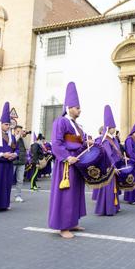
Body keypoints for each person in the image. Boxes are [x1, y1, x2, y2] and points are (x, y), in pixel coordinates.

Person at [48, 82, 89, 239]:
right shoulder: (61, 121)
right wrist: (66, 157)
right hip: (66, 164)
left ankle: (73, 222)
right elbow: (57, 143)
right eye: (77, 107)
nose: (79, 110)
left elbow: (79, 142)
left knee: (75, 194)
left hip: (76, 163)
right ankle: (63, 226)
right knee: (66, 194)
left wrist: (87, 143)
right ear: (69, 107)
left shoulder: (77, 126)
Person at [93, 105, 122, 216]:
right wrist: (114, 167)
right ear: (108, 128)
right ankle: (107, 209)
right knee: (108, 188)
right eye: (113, 127)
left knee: (114, 187)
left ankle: (114, 206)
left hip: (114, 165)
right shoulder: (105, 140)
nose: (115, 129)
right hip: (108, 167)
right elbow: (109, 155)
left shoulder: (113, 139)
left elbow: (116, 152)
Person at [12, 125, 27, 203]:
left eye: (20, 131)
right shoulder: (11, 137)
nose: (19, 133)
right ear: (14, 131)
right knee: (9, 179)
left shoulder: (22, 139)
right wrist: (17, 136)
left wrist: (23, 137)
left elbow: (27, 147)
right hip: (13, 161)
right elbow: (12, 146)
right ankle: (6, 195)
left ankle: (18, 195)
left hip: (21, 161)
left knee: (20, 180)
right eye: (18, 131)